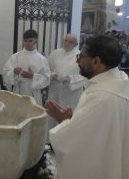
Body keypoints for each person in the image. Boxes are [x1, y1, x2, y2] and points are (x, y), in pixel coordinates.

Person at [46, 35, 129, 179]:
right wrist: (74, 119)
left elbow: (77, 144)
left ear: (96, 61)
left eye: (81, 57)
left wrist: (64, 121)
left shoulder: (102, 96)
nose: (78, 62)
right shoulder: (119, 81)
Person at [47, 34, 86, 129]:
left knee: (67, 118)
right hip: (55, 90)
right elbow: (47, 69)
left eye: (70, 42)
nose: (67, 43)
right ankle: (50, 141)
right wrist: (52, 75)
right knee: (52, 116)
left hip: (71, 93)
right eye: (65, 41)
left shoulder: (81, 56)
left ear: (76, 44)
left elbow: (85, 76)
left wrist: (70, 79)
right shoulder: (55, 53)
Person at [3, 29, 50, 105]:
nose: (27, 43)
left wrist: (33, 76)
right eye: (25, 41)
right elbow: (5, 72)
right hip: (18, 91)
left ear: (36, 41)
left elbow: (47, 78)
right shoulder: (15, 57)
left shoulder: (42, 59)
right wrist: (14, 72)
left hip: (33, 93)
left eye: (30, 41)